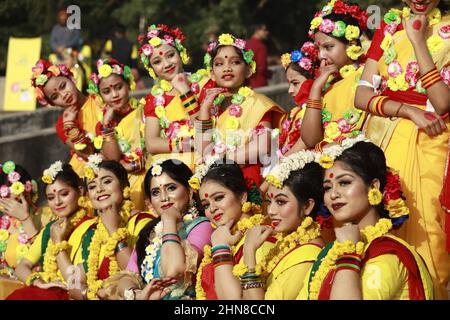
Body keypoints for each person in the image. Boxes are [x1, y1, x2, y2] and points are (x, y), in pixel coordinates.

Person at [354, 0, 450, 299]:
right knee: (376, 215)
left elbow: (443, 101)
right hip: (382, 136)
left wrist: (418, 42)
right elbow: (361, 94)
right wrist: (407, 110)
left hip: (430, 141)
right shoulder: (389, 26)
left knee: (427, 227)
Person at [298, 137, 434, 300]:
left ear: (373, 186)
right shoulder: (330, 253)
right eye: (327, 187)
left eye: (344, 182)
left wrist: (349, 255)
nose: (333, 194)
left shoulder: (388, 254)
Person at [111, 159, 213, 300]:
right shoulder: (149, 233)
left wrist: (169, 221)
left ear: (190, 192)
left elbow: (174, 270)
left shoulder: (203, 226)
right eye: (156, 192)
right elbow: (127, 277)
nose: (164, 198)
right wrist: (137, 294)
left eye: (171, 188)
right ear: (149, 202)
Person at [195, 33, 285, 187]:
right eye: (219, 64)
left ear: (249, 70)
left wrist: (221, 160)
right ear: (211, 73)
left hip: (247, 178)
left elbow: (262, 146)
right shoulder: (212, 107)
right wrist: (204, 110)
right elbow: (203, 149)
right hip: (217, 178)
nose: (227, 68)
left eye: (235, 62)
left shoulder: (258, 103)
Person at [62, 157, 154, 299]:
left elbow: (140, 272)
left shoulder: (142, 222)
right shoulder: (93, 232)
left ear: (124, 186)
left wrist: (114, 231)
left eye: (107, 181)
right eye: (92, 186)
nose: (99, 189)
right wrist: (92, 293)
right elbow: (73, 282)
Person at [239, 153, 324, 299]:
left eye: (281, 202)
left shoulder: (308, 254)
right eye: (269, 202)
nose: (271, 211)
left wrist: (249, 250)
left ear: (307, 206)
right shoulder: (284, 242)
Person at [192, 160, 275, 300]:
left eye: (218, 198)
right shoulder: (223, 237)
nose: (211, 209)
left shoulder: (260, 237)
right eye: (205, 205)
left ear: (242, 197)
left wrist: (220, 247)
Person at [6, 162, 90, 300]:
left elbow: (76, 279)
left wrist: (58, 243)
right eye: (51, 198)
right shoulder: (50, 229)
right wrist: (38, 282)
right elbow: (23, 266)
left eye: (64, 194)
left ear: (80, 191)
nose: (57, 202)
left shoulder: (91, 228)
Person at [300, 0, 369, 151]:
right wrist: (316, 88)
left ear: (351, 44)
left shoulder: (367, 77)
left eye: (328, 47)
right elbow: (310, 139)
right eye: (319, 48)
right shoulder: (326, 84)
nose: (321, 56)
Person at [140, 24, 208, 170]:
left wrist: (185, 91)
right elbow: (151, 143)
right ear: (151, 70)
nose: (166, 64)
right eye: (157, 62)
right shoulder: (154, 99)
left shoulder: (203, 83)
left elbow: (201, 127)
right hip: (174, 169)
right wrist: (191, 143)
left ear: (181, 53)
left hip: (205, 158)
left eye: (170, 55)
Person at [87, 57, 147, 210]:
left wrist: (133, 165)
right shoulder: (103, 125)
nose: (114, 95)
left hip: (151, 171)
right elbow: (113, 160)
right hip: (126, 183)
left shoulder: (146, 109)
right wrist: (107, 126)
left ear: (128, 85)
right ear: (100, 96)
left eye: (118, 87)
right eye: (106, 91)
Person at [31, 59, 103, 177]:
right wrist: (70, 125)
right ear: (52, 103)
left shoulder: (99, 97)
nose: (64, 95)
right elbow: (88, 154)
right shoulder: (62, 125)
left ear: (71, 79)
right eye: (55, 96)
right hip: (89, 172)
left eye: (63, 86)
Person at [0, 161, 50, 299]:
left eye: (22, 197)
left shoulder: (45, 216)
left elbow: (47, 256)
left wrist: (25, 219)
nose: (20, 203)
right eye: (14, 198)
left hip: (38, 287)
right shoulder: (2, 226)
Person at [103, 23, 145, 91]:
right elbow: (134, 62)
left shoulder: (110, 42)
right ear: (125, 33)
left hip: (114, 72)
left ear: (116, 33)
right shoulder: (131, 45)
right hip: (127, 72)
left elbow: (106, 57)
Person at [245, 24, 272, 88]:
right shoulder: (261, 46)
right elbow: (261, 68)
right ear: (257, 30)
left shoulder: (245, 44)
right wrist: (270, 74)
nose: (267, 32)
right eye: (264, 30)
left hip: (246, 85)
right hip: (259, 84)